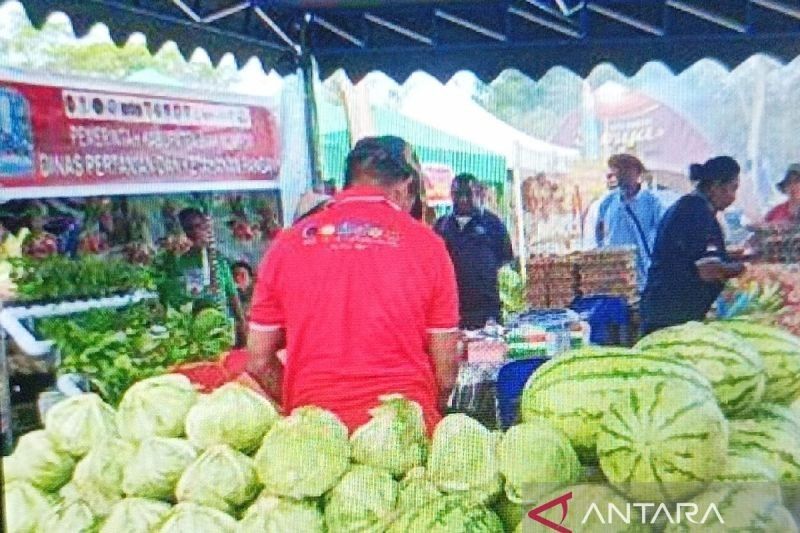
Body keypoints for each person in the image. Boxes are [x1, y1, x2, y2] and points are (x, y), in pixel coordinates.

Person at [246, 136, 460, 434]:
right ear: (404, 187)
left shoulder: (286, 245)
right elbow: (446, 369)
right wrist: (421, 411)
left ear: (348, 183)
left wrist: (305, 404)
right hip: (402, 438)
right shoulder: (429, 247)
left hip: (316, 441)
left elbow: (257, 359)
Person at [640, 156, 746, 334]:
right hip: (672, 316)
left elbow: (694, 255)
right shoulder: (696, 213)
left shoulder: (691, 208)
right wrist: (744, 269)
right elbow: (708, 270)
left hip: (667, 311)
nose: (733, 197)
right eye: (732, 188)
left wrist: (735, 258)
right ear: (715, 186)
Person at [434, 173, 514, 330]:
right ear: (451, 196)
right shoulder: (441, 227)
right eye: (458, 194)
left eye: (468, 194)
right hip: (452, 313)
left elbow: (503, 259)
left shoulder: (493, 224)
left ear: (479, 194)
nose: (463, 199)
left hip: (487, 313)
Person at [169, 208, 246, 343]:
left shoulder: (218, 260)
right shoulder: (182, 262)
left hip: (224, 328)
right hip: (198, 331)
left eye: (198, 226)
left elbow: (232, 294)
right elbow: (180, 298)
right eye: (189, 228)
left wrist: (242, 323)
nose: (195, 232)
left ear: (205, 226)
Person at [595, 154, 665, 292]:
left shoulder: (652, 202)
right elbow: (599, 231)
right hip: (614, 273)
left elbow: (663, 233)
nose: (622, 176)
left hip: (642, 273)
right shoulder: (608, 202)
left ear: (637, 173)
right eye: (618, 171)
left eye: (626, 171)